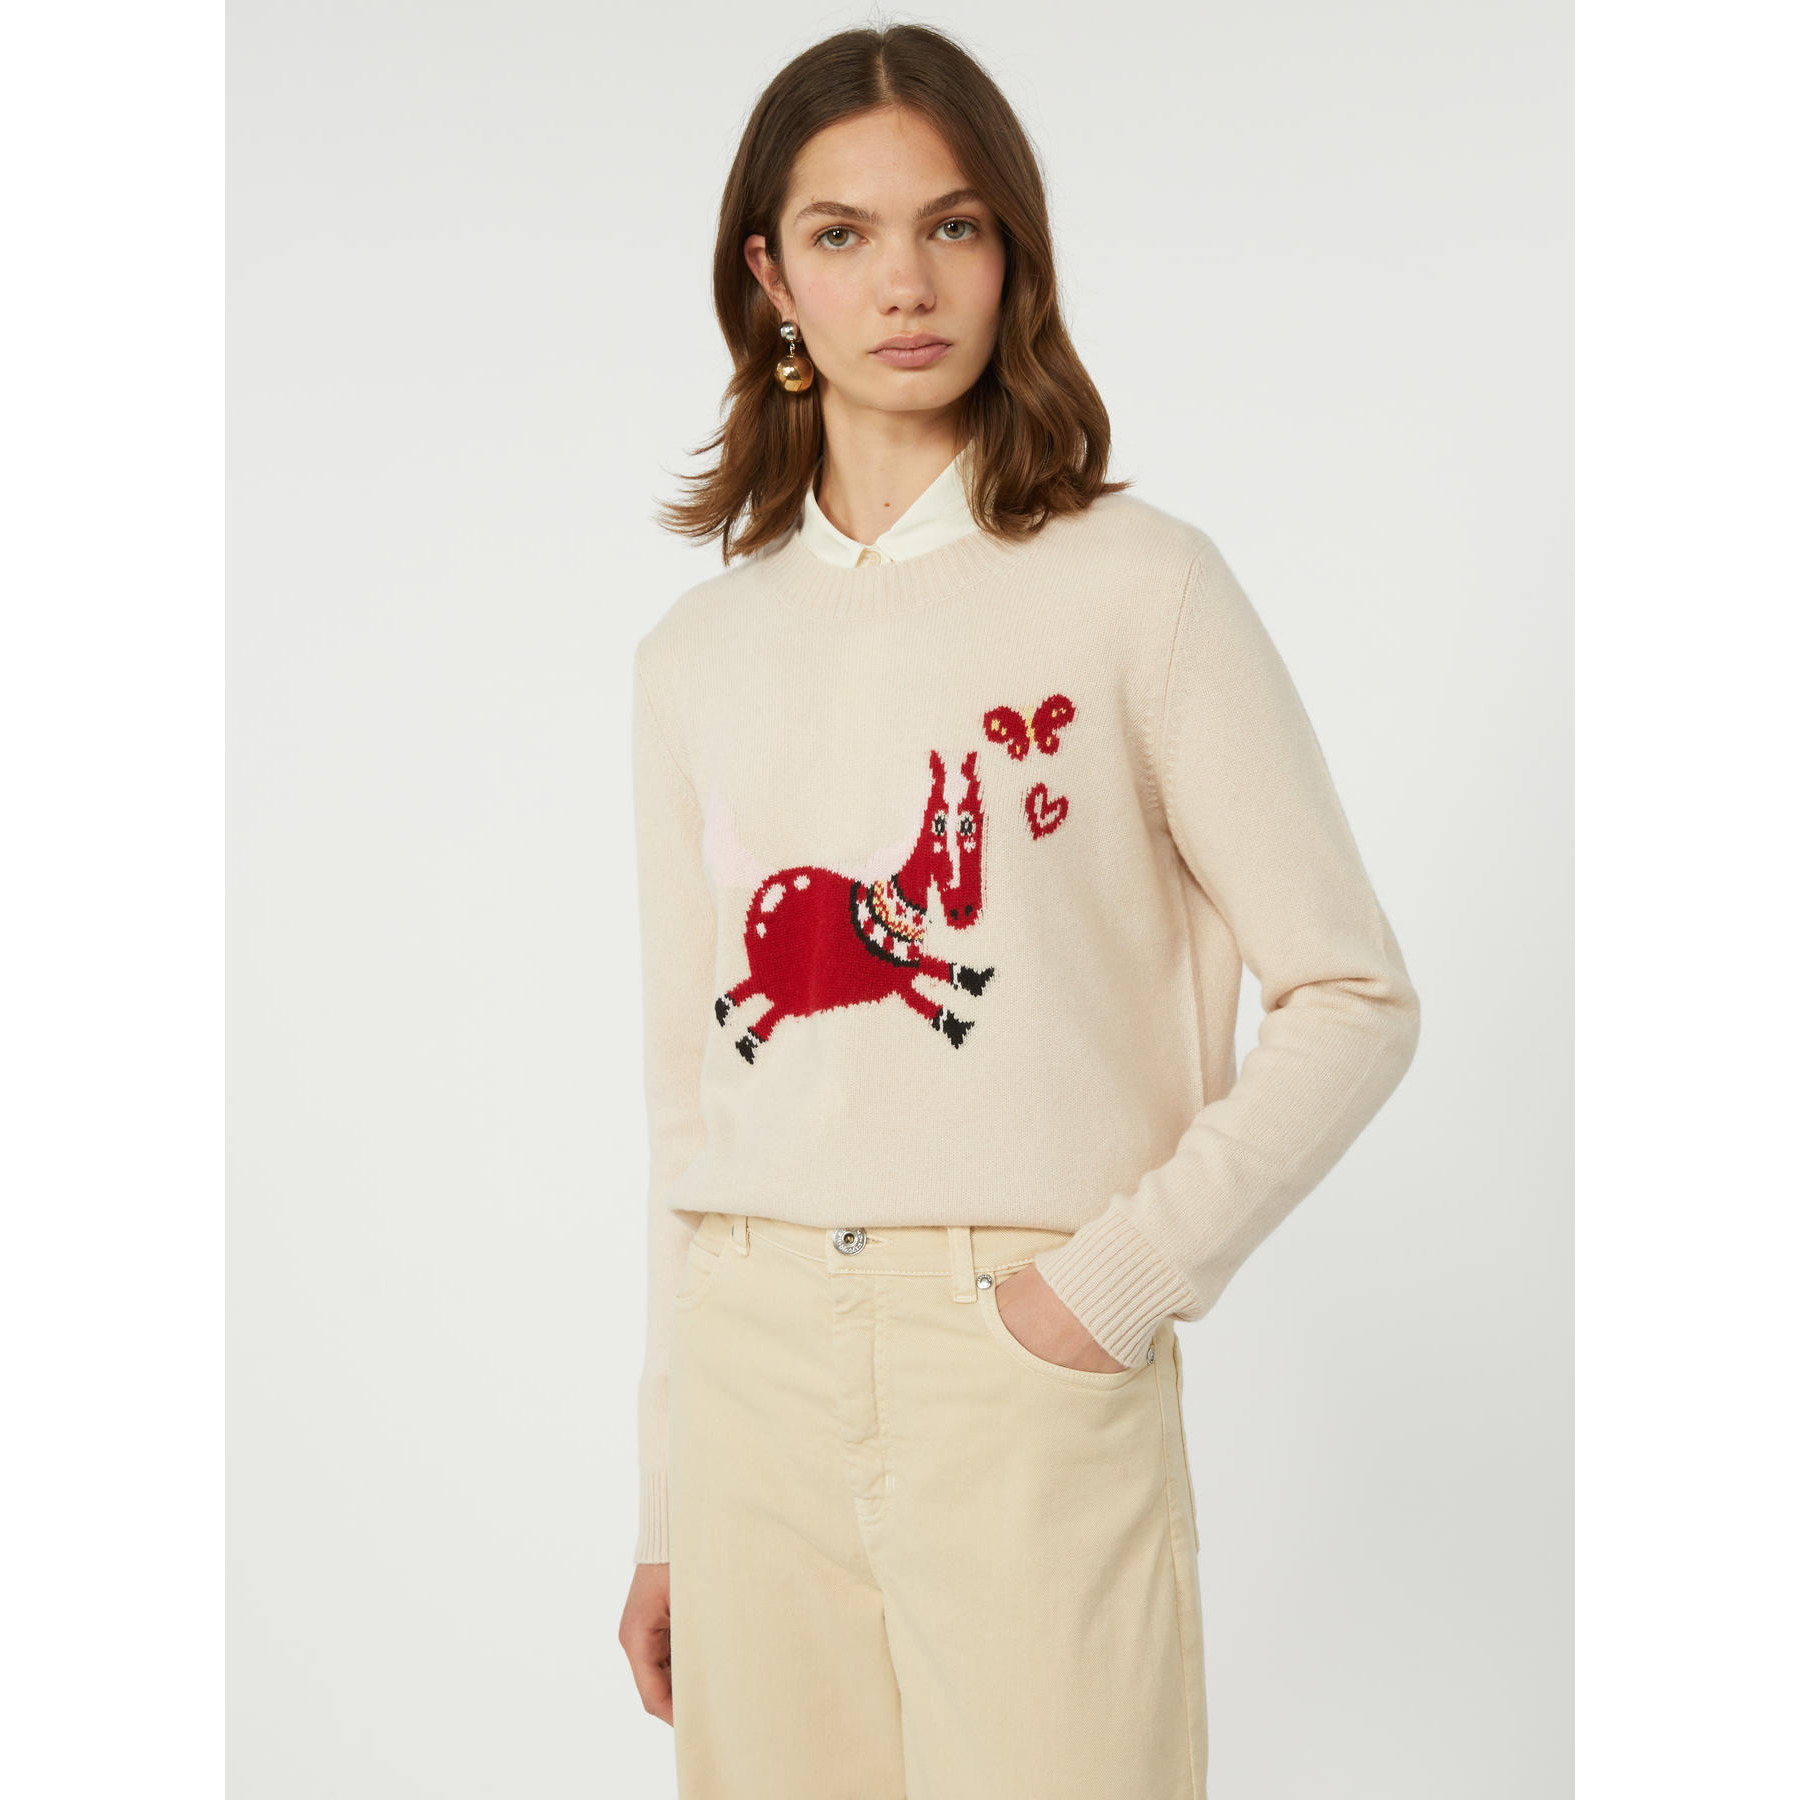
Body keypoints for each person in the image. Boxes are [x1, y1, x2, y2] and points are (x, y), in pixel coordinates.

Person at [616, 23, 1420, 1799]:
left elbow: (1353, 993)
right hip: (752, 1377)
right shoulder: (699, 656)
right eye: (842, 234)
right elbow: (692, 1100)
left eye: (953, 225)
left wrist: (1107, 1289)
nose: (904, 282)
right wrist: (670, 1499)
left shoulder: (1143, 589)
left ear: (1013, 254)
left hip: (1021, 1355)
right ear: (770, 281)